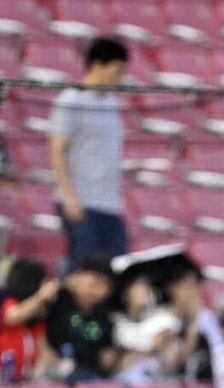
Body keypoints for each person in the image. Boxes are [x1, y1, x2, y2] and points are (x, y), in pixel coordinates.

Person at [49, 37, 130, 272]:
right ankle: (72, 311)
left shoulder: (111, 105)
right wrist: (69, 196)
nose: (120, 78)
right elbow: (57, 151)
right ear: (97, 65)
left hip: (110, 203)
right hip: (82, 201)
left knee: (118, 270)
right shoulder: (71, 100)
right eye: (117, 70)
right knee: (85, 270)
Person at [45, 257, 117, 382]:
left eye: (106, 285)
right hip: (51, 374)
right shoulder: (56, 300)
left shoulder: (106, 314)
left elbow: (107, 355)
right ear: (76, 277)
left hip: (91, 377)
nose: (99, 290)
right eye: (95, 282)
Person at [0, 258, 60, 382]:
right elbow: (12, 318)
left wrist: (59, 366)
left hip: (26, 378)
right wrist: (41, 296)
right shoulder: (9, 303)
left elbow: (41, 345)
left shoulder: (36, 318)